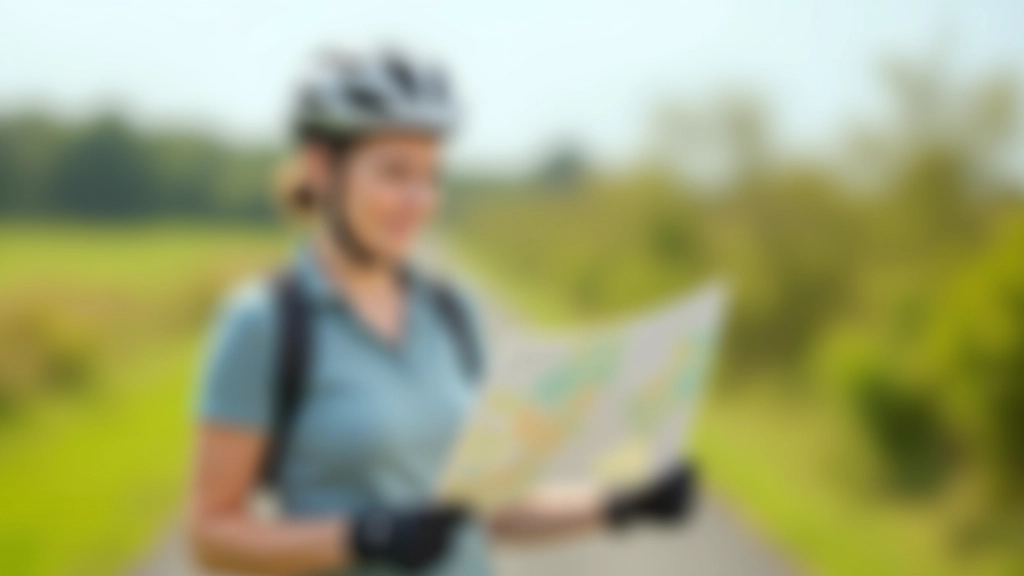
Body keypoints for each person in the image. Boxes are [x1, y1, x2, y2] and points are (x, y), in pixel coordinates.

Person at [189, 48, 697, 576]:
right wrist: (362, 537)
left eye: (431, 175)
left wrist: (620, 504)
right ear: (322, 169)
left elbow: (488, 506)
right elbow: (212, 534)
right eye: (394, 172)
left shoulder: (453, 311)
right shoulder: (265, 322)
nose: (418, 199)